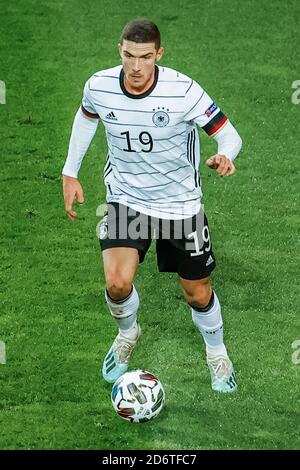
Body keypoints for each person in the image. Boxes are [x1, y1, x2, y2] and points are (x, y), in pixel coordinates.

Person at [62, 18, 242, 393]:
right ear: (120, 50)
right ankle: (128, 334)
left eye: (145, 57)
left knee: (197, 292)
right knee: (116, 282)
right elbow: (86, 117)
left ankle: (216, 352)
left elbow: (228, 134)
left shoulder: (184, 91)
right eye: (129, 55)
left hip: (180, 205)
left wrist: (225, 155)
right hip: (127, 199)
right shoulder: (99, 85)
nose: (136, 67)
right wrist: (70, 172)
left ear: (159, 54)